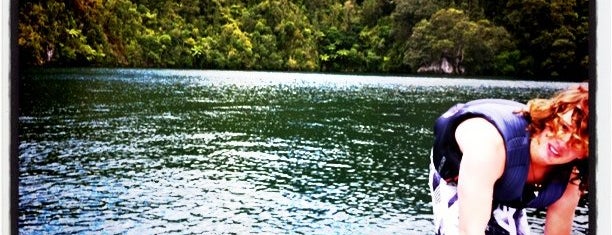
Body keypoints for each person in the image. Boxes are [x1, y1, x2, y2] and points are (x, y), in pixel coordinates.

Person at [429, 84, 589, 235]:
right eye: (563, 126)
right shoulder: (488, 146)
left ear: (586, 153)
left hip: (523, 189)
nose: (562, 141)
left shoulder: (571, 178)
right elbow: (470, 231)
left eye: (577, 141)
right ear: (552, 116)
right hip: (457, 173)